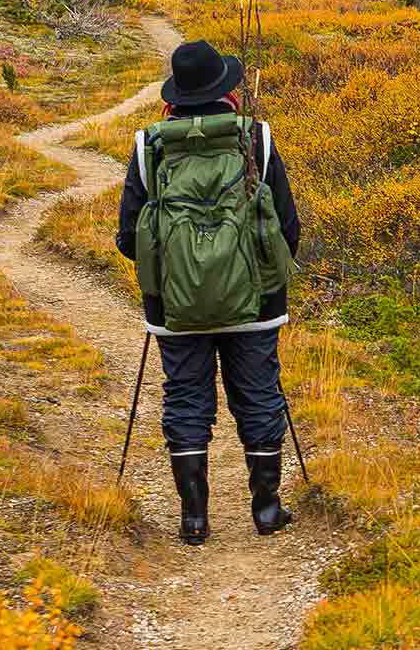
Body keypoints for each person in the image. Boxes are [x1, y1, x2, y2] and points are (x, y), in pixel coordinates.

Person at [115, 39, 302, 545]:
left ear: (175, 95)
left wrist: (180, 273)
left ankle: (193, 519)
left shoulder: (147, 146)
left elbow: (129, 238)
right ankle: (266, 509)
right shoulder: (256, 141)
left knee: (186, 397)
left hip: (174, 308)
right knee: (260, 395)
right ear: (227, 89)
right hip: (257, 303)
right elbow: (288, 227)